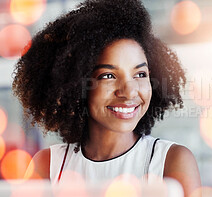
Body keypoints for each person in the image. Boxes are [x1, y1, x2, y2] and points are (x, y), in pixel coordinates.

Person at [12, 0, 201, 196]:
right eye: (108, 76)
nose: (129, 92)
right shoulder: (48, 165)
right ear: (76, 85)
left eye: (140, 74)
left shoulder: (171, 161)